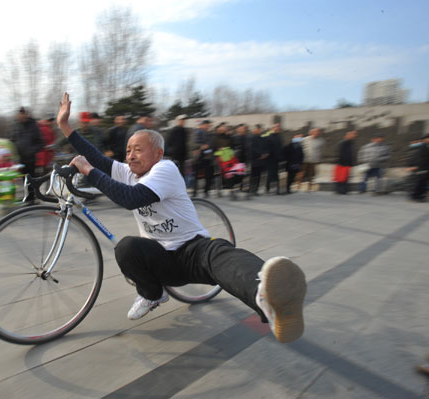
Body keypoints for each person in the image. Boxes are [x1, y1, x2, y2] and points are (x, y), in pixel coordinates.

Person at [57, 92, 307, 344]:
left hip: (192, 251)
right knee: (126, 248)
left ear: (158, 153)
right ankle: (152, 294)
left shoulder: (165, 168)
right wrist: (65, 126)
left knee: (221, 254)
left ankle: (267, 296)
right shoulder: (128, 171)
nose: (131, 155)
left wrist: (87, 170)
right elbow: (98, 159)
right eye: (128, 150)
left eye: (138, 150)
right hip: (162, 261)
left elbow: (130, 198)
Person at [9, 107, 43, 201]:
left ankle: (32, 198)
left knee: (30, 179)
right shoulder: (15, 125)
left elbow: (40, 143)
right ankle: (25, 196)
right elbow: (11, 140)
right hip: (19, 159)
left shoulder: (33, 125)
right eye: (20, 114)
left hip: (31, 159)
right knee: (20, 180)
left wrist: (32, 150)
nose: (22, 116)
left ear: (27, 115)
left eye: (24, 114)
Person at [192, 120, 215, 197]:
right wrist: (201, 147)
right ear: (202, 125)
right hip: (198, 157)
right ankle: (195, 192)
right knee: (196, 175)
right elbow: (193, 144)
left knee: (208, 175)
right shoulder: (197, 132)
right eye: (207, 125)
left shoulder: (209, 134)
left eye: (209, 125)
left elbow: (211, 145)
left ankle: (206, 191)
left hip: (207, 156)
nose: (208, 127)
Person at [334, 129, 357, 195]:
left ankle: (344, 190)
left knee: (345, 177)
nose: (353, 136)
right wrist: (343, 163)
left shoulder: (351, 143)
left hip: (347, 163)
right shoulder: (343, 143)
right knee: (341, 178)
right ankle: (340, 190)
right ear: (347, 135)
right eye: (352, 134)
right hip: (342, 163)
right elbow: (340, 153)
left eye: (354, 135)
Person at [248, 124, 269, 197]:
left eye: (261, 129)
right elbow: (252, 149)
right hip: (255, 159)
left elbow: (265, 147)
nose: (260, 130)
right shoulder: (252, 138)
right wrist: (260, 155)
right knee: (253, 176)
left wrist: (266, 154)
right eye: (258, 129)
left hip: (261, 160)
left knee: (259, 176)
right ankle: (251, 190)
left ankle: (256, 190)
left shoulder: (262, 138)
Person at [408, 134, 429, 202]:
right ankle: (415, 196)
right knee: (420, 182)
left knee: (423, 182)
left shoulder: (425, 146)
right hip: (422, 167)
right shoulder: (423, 146)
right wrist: (417, 167)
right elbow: (419, 158)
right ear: (426, 139)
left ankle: (420, 195)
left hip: (425, 167)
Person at [263, 123, 283, 195]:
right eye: (276, 127)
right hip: (270, 159)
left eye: (278, 127)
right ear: (272, 128)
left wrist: (281, 157)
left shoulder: (279, 137)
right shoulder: (269, 137)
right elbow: (267, 148)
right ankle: (268, 188)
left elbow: (280, 148)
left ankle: (277, 189)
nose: (278, 128)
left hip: (277, 159)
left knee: (276, 174)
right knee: (270, 174)